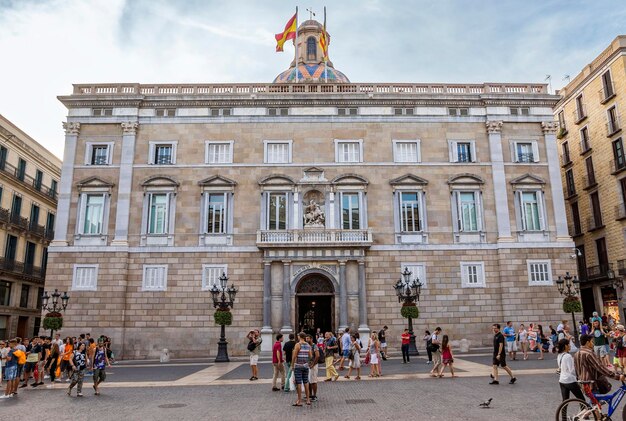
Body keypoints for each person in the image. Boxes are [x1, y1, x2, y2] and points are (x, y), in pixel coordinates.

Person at [575, 334, 625, 408]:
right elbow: (600, 368)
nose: (593, 343)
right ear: (587, 342)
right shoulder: (589, 354)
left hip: (584, 384)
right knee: (596, 407)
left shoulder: (577, 353)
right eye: (592, 341)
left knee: (594, 405)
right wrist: (616, 376)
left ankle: (587, 416)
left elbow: (577, 370)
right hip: (592, 384)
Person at [291, 332, 312, 407]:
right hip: (305, 365)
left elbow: (294, 356)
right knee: (306, 382)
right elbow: (310, 356)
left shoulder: (298, 344)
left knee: (298, 382)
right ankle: (308, 400)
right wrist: (308, 363)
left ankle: (299, 400)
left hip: (298, 366)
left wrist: (292, 365)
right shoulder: (308, 345)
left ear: (300, 337)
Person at [305, 334, 319, 401]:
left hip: (313, 366)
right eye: (306, 338)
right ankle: (310, 394)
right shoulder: (307, 346)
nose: (306, 340)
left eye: (308, 338)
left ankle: (314, 395)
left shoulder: (314, 346)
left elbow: (317, 356)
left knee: (313, 381)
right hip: (308, 365)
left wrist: (313, 364)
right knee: (309, 381)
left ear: (311, 339)